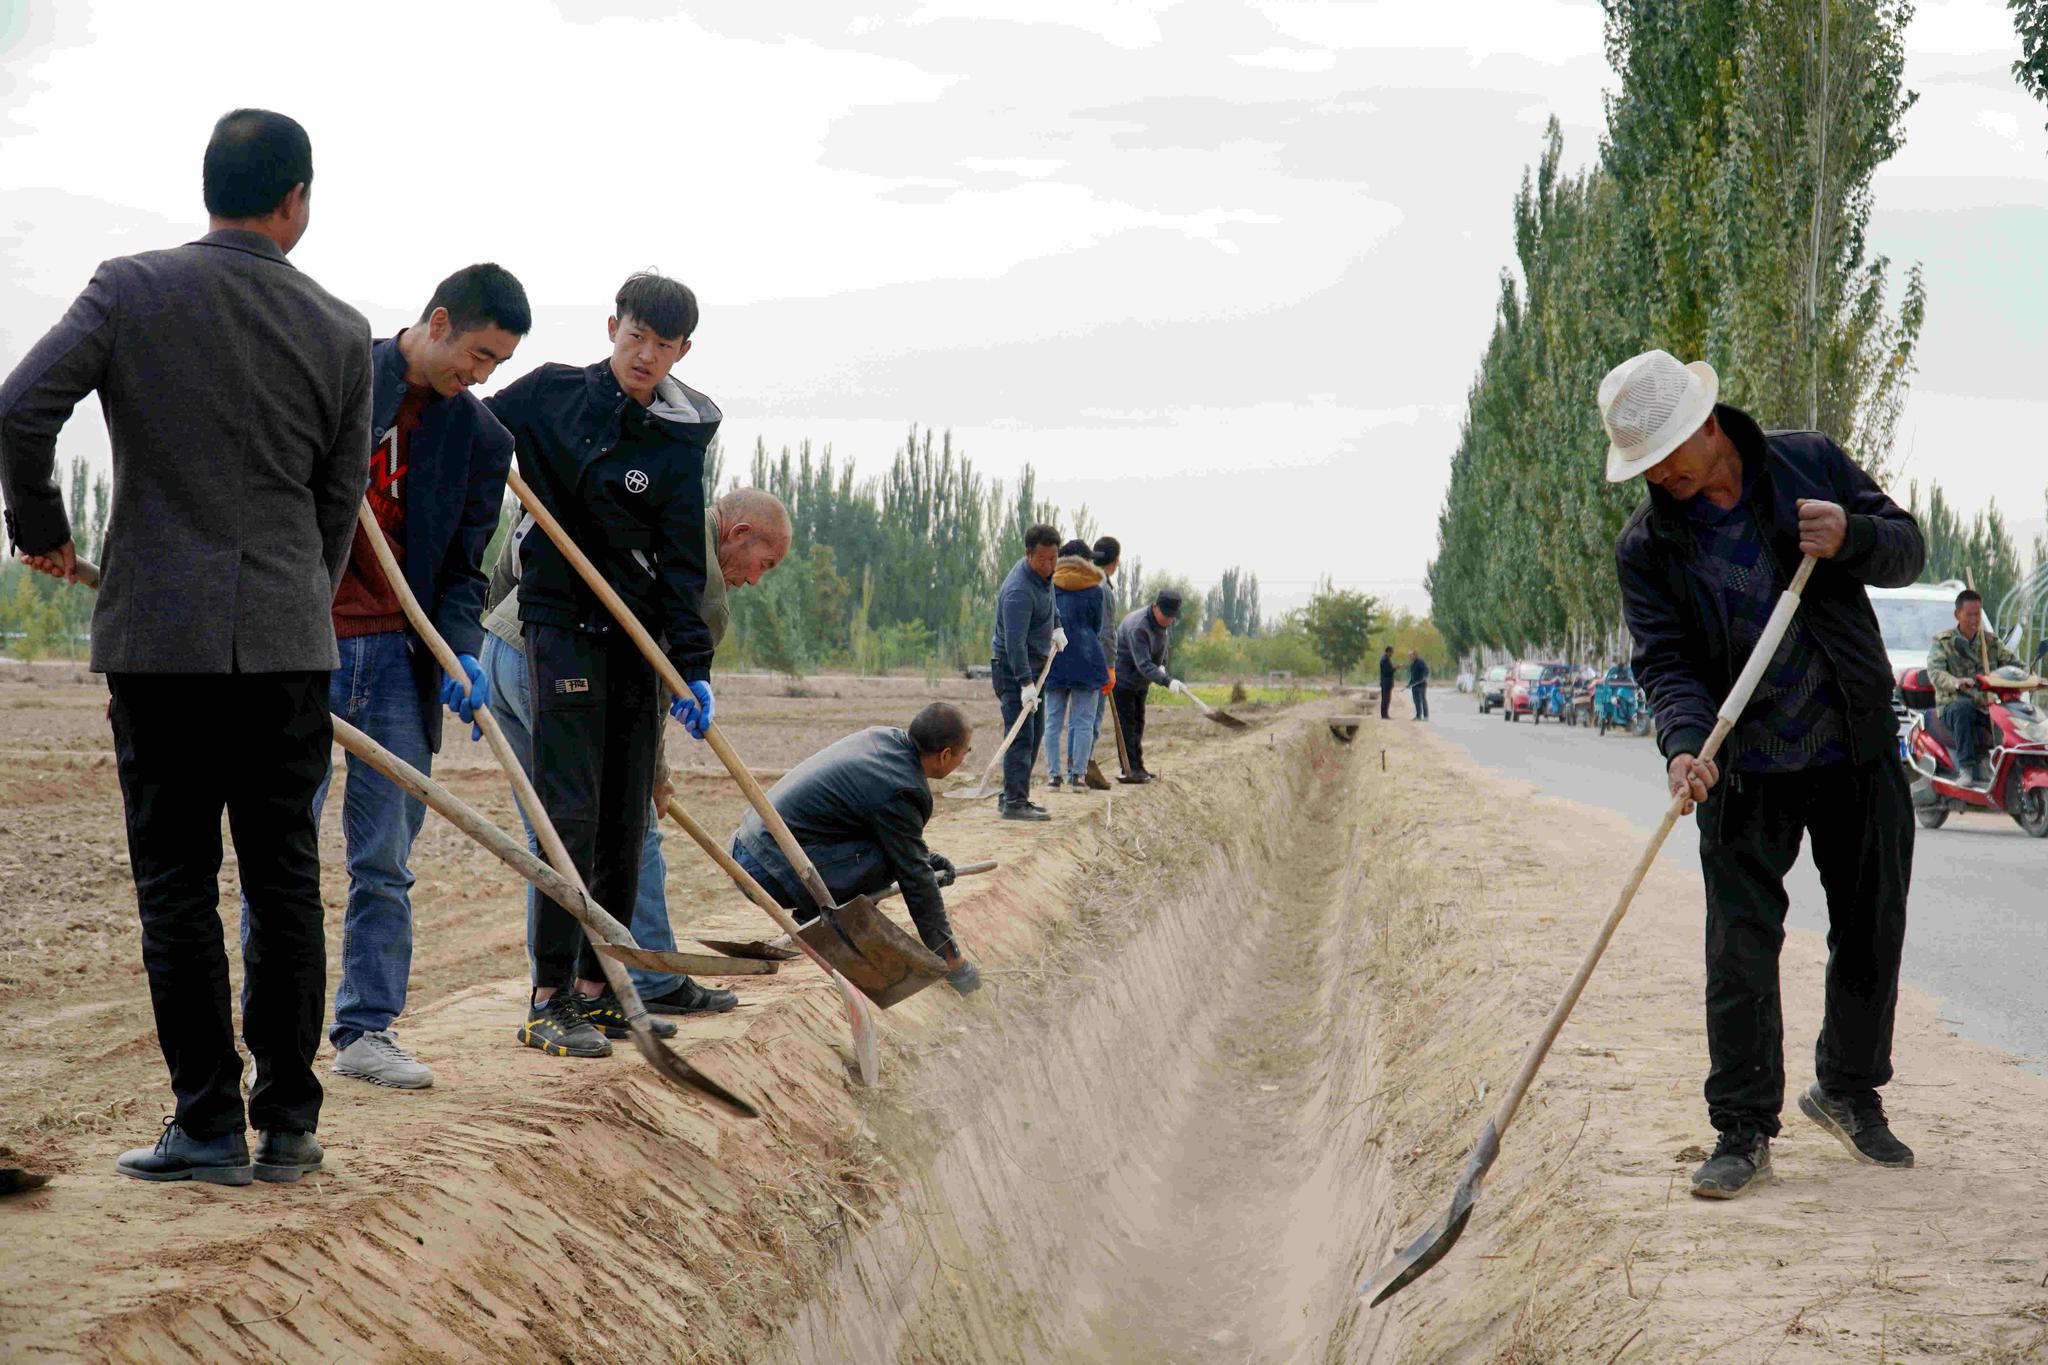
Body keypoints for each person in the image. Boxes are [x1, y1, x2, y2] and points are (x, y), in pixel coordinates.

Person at [0, 110, 371, 1184]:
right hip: (287, 649)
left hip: (159, 646)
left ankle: (208, 1125)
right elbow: (334, 507)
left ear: (209, 186)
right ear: (296, 199)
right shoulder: (342, 330)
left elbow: (20, 410)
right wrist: (296, 602)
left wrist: (43, 530)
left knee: (175, 883)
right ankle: (290, 1125)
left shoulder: (132, 287)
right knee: (285, 879)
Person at [1603, 349, 1924, 1200]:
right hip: (1742, 766)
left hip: (1853, 746)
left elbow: (1909, 548)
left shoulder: (1806, 462)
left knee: (1868, 926)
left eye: (1669, 453)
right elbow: (1665, 661)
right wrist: (1681, 742)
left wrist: (1851, 537)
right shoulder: (1647, 546)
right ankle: (1742, 1128)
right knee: (1739, 947)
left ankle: (1849, 1090)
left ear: (1708, 426)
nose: (1662, 475)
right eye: (1645, 465)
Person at [257, 264, 528, 1094]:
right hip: (300, 649)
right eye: (477, 355)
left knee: (384, 862)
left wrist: (461, 652)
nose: (480, 377)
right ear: (438, 322)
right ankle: (272, 1036)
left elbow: (459, 573)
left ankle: (367, 1029)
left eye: (495, 365)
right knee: (281, 855)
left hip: (399, 664)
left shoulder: (480, 440)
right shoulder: (335, 377)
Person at [486, 272, 721, 1059]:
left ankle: (602, 991)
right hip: (561, 625)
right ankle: (548, 996)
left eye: (663, 345)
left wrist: (694, 669)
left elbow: (686, 564)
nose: (644, 355)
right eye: (635, 337)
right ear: (611, 326)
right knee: (572, 814)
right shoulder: (551, 397)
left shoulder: (680, 444)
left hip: (638, 639)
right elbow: (471, 431)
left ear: (683, 351)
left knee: (625, 817)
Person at [480, 485, 791, 1018]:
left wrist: (499, 636)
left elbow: (518, 545)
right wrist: (654, 776)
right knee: (631, 824)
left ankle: (558, 987)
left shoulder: (643, 505)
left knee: (551, 832)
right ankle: (650, 977)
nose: (754, 580)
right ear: (737, 534)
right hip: (562, 667)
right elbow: (650, 699)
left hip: (505, 648)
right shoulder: (706, 587)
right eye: (761, 563)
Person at [730, 704, 983, 993]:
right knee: (893, 862)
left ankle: (823, 917)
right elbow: (915, 879)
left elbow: (896, 842)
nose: (965, 759)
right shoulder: (901, 787)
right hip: (765, 870)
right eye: (966, 753)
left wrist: (926, 859)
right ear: (945, 755)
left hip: (747, 847)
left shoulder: (883, 739)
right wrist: (952, 961)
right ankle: (830, 925)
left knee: (899, 856)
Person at [991, 523, 1062, 821]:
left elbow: (1051, 601)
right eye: (1042, 559)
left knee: (1035, 734)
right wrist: (1024, 684)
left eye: (1053, 558)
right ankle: (1015, 803)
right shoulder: (1018, 591)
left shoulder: (1044, 578)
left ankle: (1013, 794)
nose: (1048, 565)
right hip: (1014, 670)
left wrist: (1057, 625)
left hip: (1036, 667)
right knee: (1021, 735)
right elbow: (1013, 643)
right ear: (1028, 554)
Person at [1927, 589, 2019, 787]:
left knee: (2011, 715)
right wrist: (1957, 682)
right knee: (1963, 708)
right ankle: (1966, 768)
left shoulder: (1991, 643)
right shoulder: (1943, 642)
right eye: (1969, 614)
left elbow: (2014, 663)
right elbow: (1936, 673)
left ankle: (2008, 767)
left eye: (1977, 614)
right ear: (1957, 614)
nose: (1974, 619)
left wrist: (2029, 677)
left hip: (1986, 704)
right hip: (1952, 705)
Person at [1042, 538, 1109, 791]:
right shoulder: (1095, 589)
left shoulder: (1048, 586)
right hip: (1087, 659)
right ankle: (1078, 777)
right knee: (1082, 721)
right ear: (1084, 560)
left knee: (1052, 721)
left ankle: (1053, 777)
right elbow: (1097, 627)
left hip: (1055, 657)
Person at [1113, 590, 1187, 782]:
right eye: (1166, 615)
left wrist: (1162, 663)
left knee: (1139, 722)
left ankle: (1139, 766)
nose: (1169, 620)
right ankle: (1129, 769)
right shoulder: (1138, 627)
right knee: (1127, 725)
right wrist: (1167, 680)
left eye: (1172, 617)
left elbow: (1162, 646)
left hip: (1141, 681)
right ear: (1155, 607)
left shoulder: (1163, 623)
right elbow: (1143, 664)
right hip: (1123, 680)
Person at [1090, 536, 1122, 766]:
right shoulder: (1103, 589)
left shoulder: (1083, 582)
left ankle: (1076, 767)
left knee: (1079, 718)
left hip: (1076, 659)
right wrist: (1110, 666)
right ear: (1115, 562)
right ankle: (1084, 764)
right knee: (1091, 718)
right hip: (1097, 662)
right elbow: (1107, 632)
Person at [1408, 649, 1429, 720]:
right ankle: (1418, 716)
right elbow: (1412, 676)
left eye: (1411, 655)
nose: (1409, 657)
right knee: (1416, 701)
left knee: (1423, 700)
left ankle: (1426, 716)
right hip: (1414, 686)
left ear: (1415, 655)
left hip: (1421, 685)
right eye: (1409, 655)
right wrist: (1409, 684)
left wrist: (1424, 676)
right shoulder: (1412, 665)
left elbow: (1425, 669)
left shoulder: (1420, 661)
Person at [1379, 645, 1395, 720]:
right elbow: (1387, 671)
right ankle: (1384, 715)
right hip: (1386, 682)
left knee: (1387, 698)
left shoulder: (1386, 659)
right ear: (1388, 652)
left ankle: (1385, 714)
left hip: (1387, 682)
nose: (1392, 654)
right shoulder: (1384, 660)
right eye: (1391, 652)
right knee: (1385, 698)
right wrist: (1395, 668)